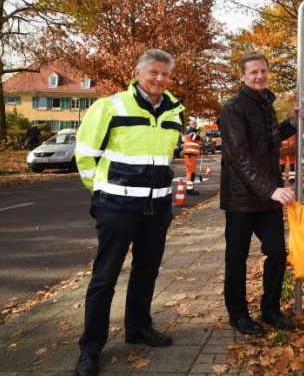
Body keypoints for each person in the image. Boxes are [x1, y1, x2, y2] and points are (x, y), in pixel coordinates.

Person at [73, 49, 184, 376]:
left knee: (146, 271)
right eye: (153, 73)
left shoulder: (175, 111)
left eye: (165, 74)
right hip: (117, 208)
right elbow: (85, 153)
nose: (160, 79)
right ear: (137, 73)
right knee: (104, 277)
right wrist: (101, 192)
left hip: (157, 208)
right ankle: (90, 349)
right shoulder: (111, 106)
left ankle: (138, 328)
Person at [219, 51, 297, 336]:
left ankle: (270, 309)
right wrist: (272, 190)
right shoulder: (233, 108)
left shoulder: (265, 102)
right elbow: (239, 158)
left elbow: (267, 139)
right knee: (236, 259)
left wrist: (292, 123)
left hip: (267, 197)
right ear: (242, 76)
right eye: (253, 72)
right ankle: (238, 315)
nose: (259, 76)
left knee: (277, 251)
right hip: (241, 200)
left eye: (263, 71)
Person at [182, 117, 201, 195]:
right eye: (193, 123)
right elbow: (198, 137)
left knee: (191, 172)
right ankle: (189, 189)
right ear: (190, 124)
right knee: (190, 172)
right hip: (190, 154)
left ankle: (190, 188)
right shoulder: (191, 132)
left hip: (191, 154)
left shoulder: (191, 131)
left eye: (196, 124)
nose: (195, 125)